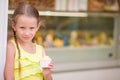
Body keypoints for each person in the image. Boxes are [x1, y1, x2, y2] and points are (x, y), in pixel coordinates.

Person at [4, 3, 53, 80]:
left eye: (32, 28)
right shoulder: (11, 47)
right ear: (14, 26)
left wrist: (47, 75)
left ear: (37, 27)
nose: (27, 33)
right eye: (22, 27)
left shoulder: (41, 50)